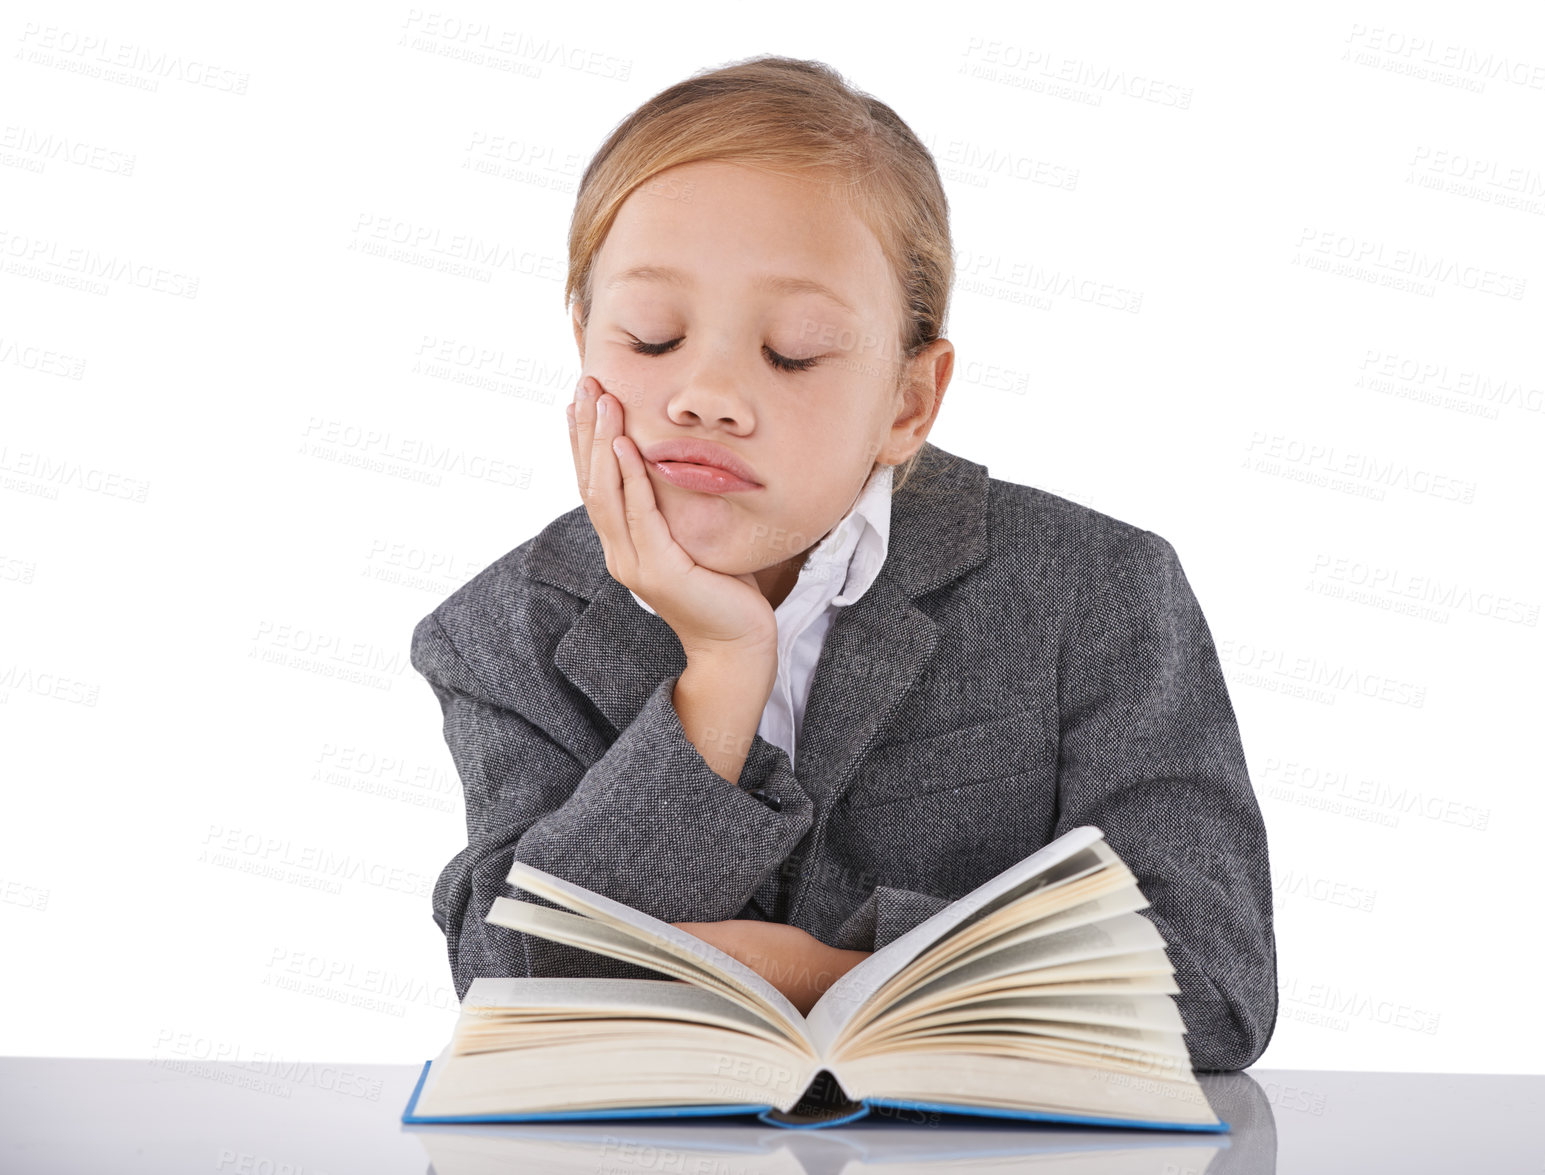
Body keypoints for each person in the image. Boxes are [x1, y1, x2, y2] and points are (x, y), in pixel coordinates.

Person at [411, 54, 1277, 1070]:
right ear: (584, 344)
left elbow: (1211, 984)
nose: (706, 393)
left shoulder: (1098, 588)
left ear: (908, 400)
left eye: (791, 352)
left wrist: (827, 968)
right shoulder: (500, 630)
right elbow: (514, 985)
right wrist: (722, 673)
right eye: (650, 338)